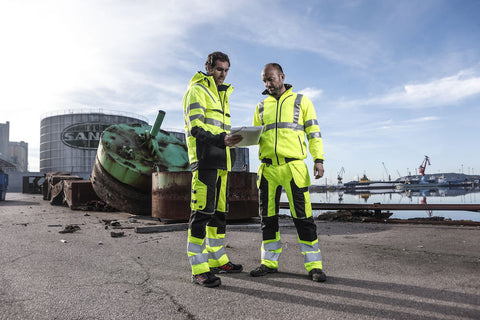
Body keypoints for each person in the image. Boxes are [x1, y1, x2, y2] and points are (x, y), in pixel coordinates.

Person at [250, 63, 327, 282]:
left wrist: (318, 159)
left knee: (303, 217)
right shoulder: (261, 106)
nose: (267, 84)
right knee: (268, 218)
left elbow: (314, 133)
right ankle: (269, 262)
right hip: (267, 169)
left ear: (282, 76)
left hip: (294, 167)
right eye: (264, 80)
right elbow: (256, 136)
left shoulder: (302, 101)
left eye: (271, 79)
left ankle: (314, 266)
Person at [183, 51, 243, 288]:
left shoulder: (222, 95)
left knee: (218, 214)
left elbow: (220, 129)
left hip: (222, 163)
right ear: (208, 67)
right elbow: (195, 127)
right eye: (219, 69)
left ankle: (218, 261)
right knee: (201, 214)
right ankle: (198, 269)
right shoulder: (196, 90)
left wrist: (232, 140)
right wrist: (222, 140)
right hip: (205, 160)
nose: (223, 74)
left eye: (226, 70)